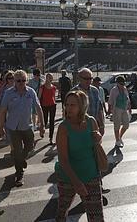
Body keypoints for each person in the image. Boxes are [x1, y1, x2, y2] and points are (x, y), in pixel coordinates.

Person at [55, 90, 104, 221]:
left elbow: (95, 144)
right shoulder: (63, 128)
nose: (68, 108)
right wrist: (76, 183)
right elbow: (63, 160)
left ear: (82, 106)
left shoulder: (91, 121)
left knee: (97, 216)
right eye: (67, 104)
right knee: (62, 213)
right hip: (68, 176)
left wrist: (98, 139)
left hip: (91, 174)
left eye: (73, 105)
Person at [0, 70, 45, 187]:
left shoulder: (31, 92)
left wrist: (42, 124)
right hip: (13, 127)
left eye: (23, 80)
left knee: (30, 146)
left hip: (27, 126)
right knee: (17, 151)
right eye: (18, 81)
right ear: (14, 81)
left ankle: (21, 159)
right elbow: (3, 111)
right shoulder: (8, 93)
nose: (21, 83)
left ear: (26, 80)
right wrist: (0, 127)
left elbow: (38, 107)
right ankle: (19, 174)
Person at [72, 68, 104, 136]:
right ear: (79, 79)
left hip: (94, 127)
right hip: (79, 128)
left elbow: (99, 109)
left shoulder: (95, 90)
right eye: (86, 78)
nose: (88, 81)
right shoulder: (74, 92)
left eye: (90, 78)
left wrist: (101, 125)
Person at [108, 75, 131, 148]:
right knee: (117, 125)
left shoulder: (124, 89)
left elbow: (128, 98)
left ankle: (120, 137)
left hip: (124, 108)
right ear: (117, 83)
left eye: (123, 83)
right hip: (116, 109)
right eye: (121, 84)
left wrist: (129, 107)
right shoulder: (114, 90)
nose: (122, 85)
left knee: (126, 125)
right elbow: (110, 100)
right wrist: (109, 110)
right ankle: (117, 140)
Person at [40, 73, 58, 145]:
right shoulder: (42, 87)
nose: (49, 79)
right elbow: (39, 97)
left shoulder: (54, 87)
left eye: (50, 77)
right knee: (44, 120)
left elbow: (54, 97)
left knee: (52, 122)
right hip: (44, 106)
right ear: (45, 78)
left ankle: (51, 138)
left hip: (52, 105)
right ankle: (42, 130)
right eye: (48, 77)